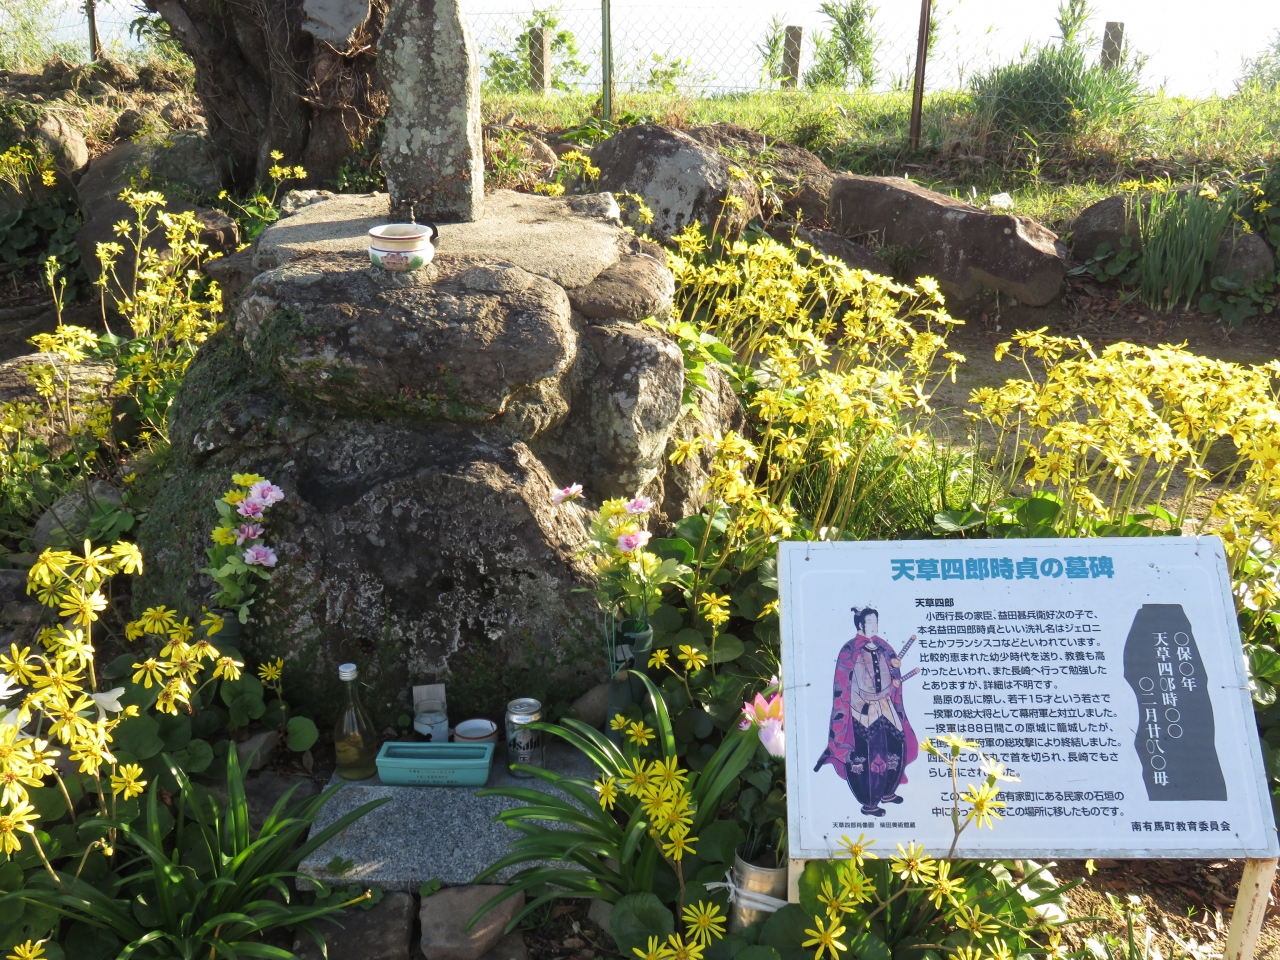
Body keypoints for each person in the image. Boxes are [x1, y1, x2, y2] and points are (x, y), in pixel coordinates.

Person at [814, 607, 918, 817]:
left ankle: (888, 791)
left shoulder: (883, 646)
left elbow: (892, 673)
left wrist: (895, 668)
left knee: (896, 745)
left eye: (876, 622)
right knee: (867, 753)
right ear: (860, 624)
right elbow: (844, 683)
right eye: (870, 622)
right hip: (862, 708)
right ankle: (869, 802)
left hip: (886, 704)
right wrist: (860, 706)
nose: (874, 626)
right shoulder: (850, 649)